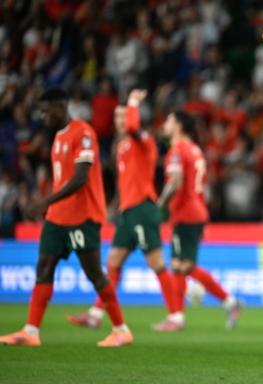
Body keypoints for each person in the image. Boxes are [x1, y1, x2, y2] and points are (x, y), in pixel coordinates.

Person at [0, 88, 132, 347]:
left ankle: (121, 330)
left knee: (94, 273)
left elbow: (81, 177)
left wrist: (45, 201)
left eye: (46, 111)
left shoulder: (83, 133)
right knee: (44, 267)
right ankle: (31, 331)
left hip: (83, 216)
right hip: (58, 216)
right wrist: (49, 205)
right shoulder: (58, 136)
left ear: (61, 107)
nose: (43, 116)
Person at [66, 89, 179, 330]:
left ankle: (176, 317)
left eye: (123, 116)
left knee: (157, 264)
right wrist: (115, 205)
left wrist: (133, 102)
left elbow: (134, 125)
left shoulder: (144, 141)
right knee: (113, 262)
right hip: (127, 212)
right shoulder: (121, 146)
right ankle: (96, 314)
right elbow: (124, 182)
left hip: (142, 209)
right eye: (117, 116)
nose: (120, 121)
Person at [153, 110, 241, 331]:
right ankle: (228, 302)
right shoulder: (195, 149)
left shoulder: (177, 150)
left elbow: (175, 182)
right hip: (196, 211)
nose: (165, 124)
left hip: (185, 213)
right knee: (184, 266)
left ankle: (177, 318)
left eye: (169, 120)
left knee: (179, 266)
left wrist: (160, 206)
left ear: (179, 125)